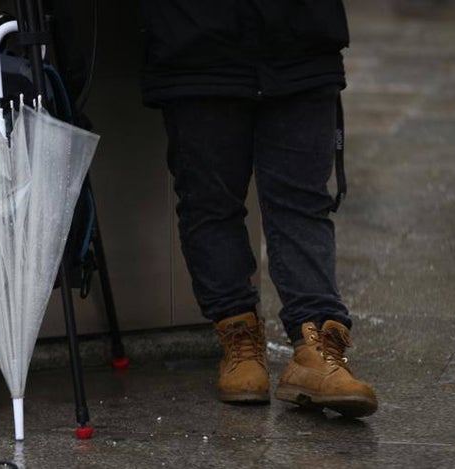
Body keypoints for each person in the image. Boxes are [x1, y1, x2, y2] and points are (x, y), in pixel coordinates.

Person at [139, 0, 377, 417]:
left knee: (303, 201)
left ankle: (316, 344)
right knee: (210, 202)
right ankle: (238, 337)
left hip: (302, 38)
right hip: (195, 43)